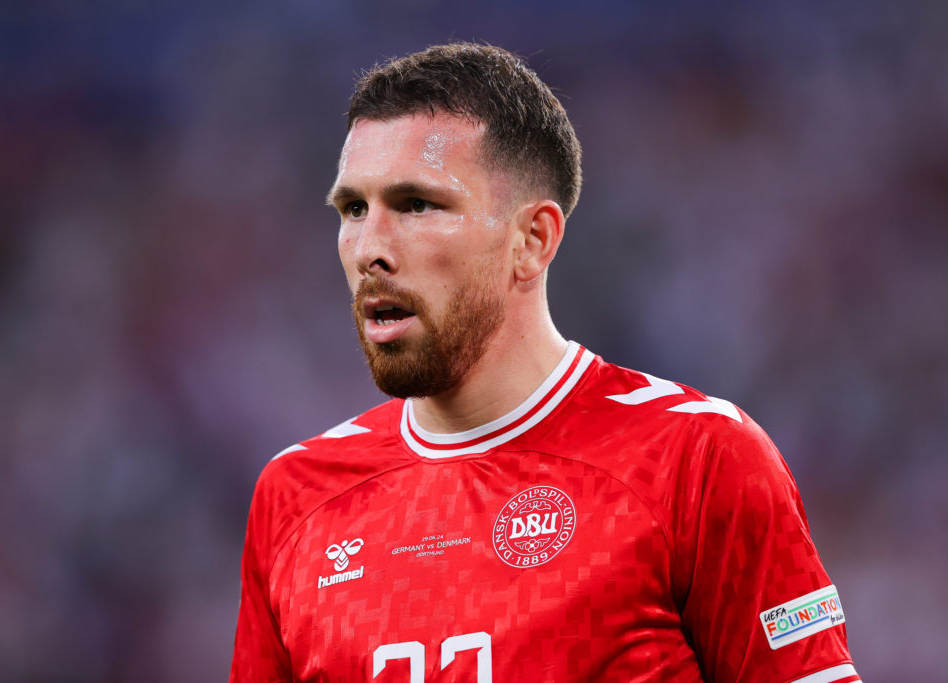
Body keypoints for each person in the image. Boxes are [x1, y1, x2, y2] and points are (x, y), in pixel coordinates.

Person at [230, 43, 859, 682]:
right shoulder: (296, 497)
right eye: (354, 209)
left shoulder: (693, 459)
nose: (369, 249)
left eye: (417, 204)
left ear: (532, 241)